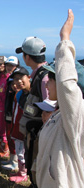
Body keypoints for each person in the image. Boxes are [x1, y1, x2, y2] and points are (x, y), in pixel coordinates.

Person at [36, 10, 84, 187]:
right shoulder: (60, 114)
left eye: (51, 79)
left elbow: (67, 86)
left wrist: (65, 40)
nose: (46, 83)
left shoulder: (78, 115)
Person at [15, 33, 49, 187]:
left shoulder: (43, 77)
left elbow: (50, 107)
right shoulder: (40, 75)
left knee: (38, 166)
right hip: (37, 132)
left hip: (41, 134)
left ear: (27, 56)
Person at [5, 67, 31, 183]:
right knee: (20, 151)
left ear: (29, 77)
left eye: (21, 78)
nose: (18, 81)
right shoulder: (20, 94)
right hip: (17, 128)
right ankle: (21, 171)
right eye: (15, 79)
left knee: (23, 153)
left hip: (25, 131)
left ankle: (23, 174)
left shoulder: (34, 94)